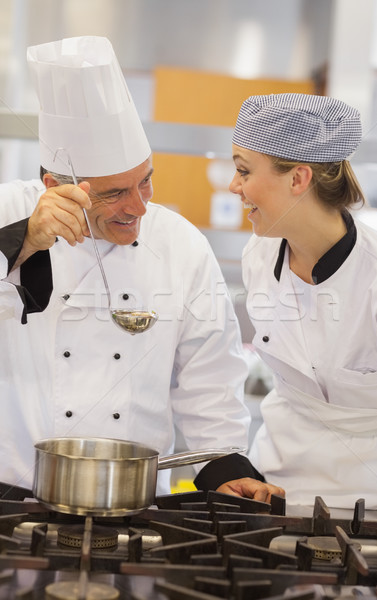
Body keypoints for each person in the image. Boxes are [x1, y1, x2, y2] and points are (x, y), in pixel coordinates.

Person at [0, 36, 284, 502]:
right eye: (114, 193)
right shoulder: (8, 212)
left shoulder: (181, 245)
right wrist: (24, 242)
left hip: (133, 507)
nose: (139, 206)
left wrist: (222, 466)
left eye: (146, 180)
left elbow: (209, 378)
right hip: (12, 501)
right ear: (54, 186)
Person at [228, 93, 377, 510]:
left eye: (244, 171)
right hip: (274, 492)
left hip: (376, 506)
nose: (234, 186)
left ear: (298, 179)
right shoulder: (259, 255)